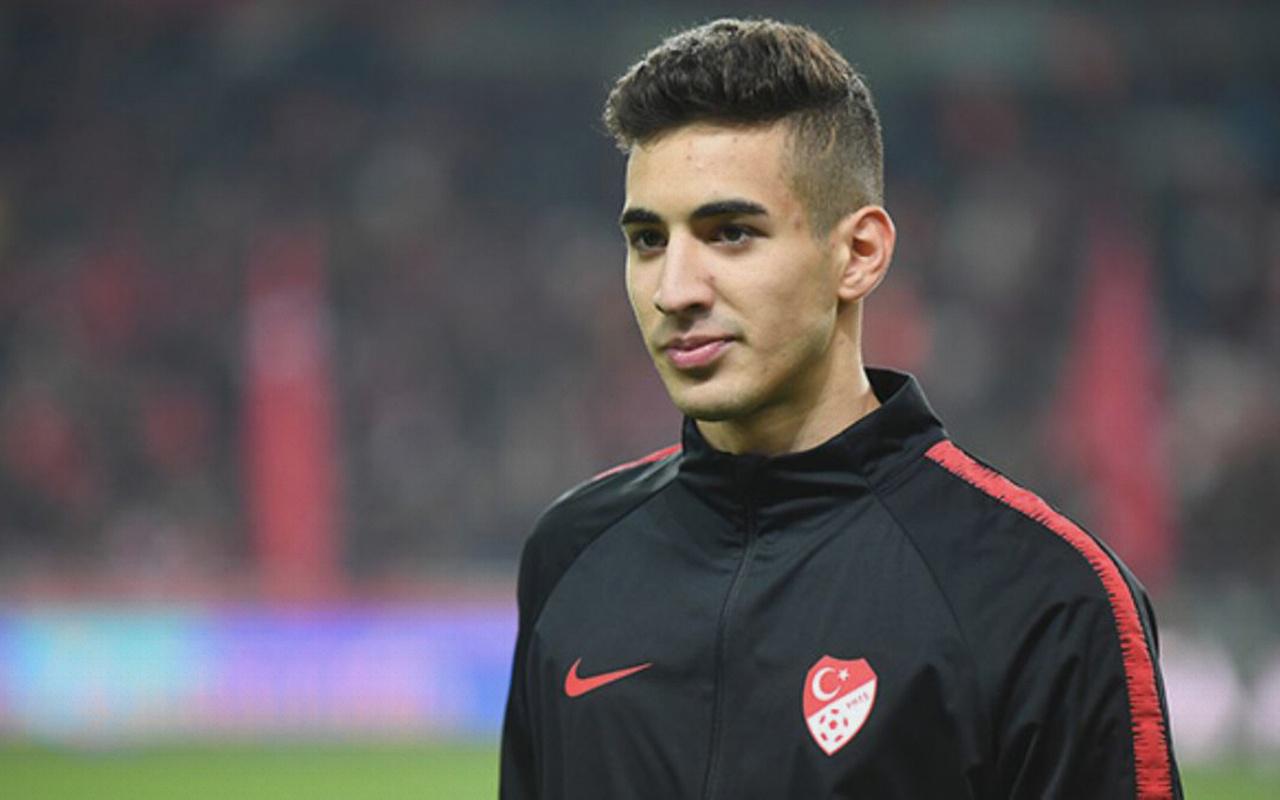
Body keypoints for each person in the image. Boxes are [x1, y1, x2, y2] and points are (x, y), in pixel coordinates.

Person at [500, 18, 1182, 799]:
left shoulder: (1044, 596)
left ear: (859, 254)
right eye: (649, 240)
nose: (674, 290)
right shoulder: (571, 554)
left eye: (731, 233)